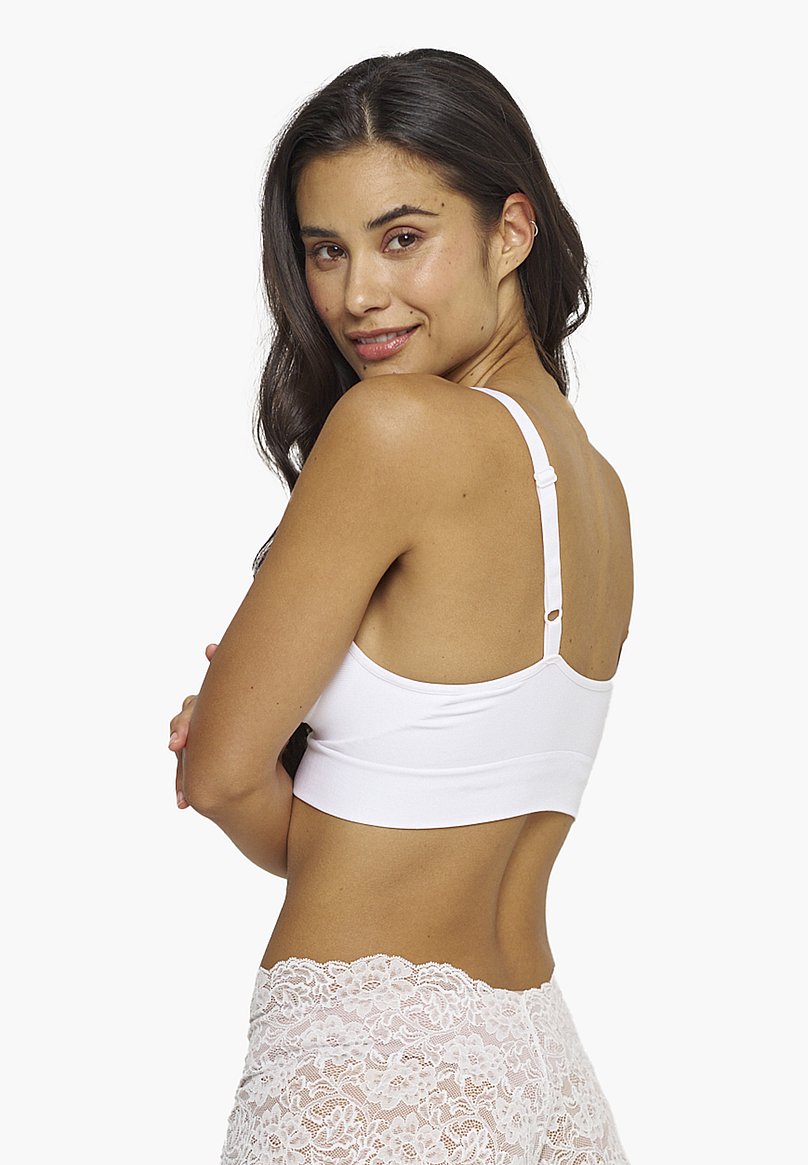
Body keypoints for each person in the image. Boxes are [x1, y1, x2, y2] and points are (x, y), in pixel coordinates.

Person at [168, 47, 634, 1165]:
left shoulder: (393, 429)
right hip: (545, 1072)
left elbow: (219, 776)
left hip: (369, 1073)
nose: (356, 296)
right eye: (325, 250)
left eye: (402, 237)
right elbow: (441, 808)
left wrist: (247, 741)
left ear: (510, 231)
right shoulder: (599, 491)